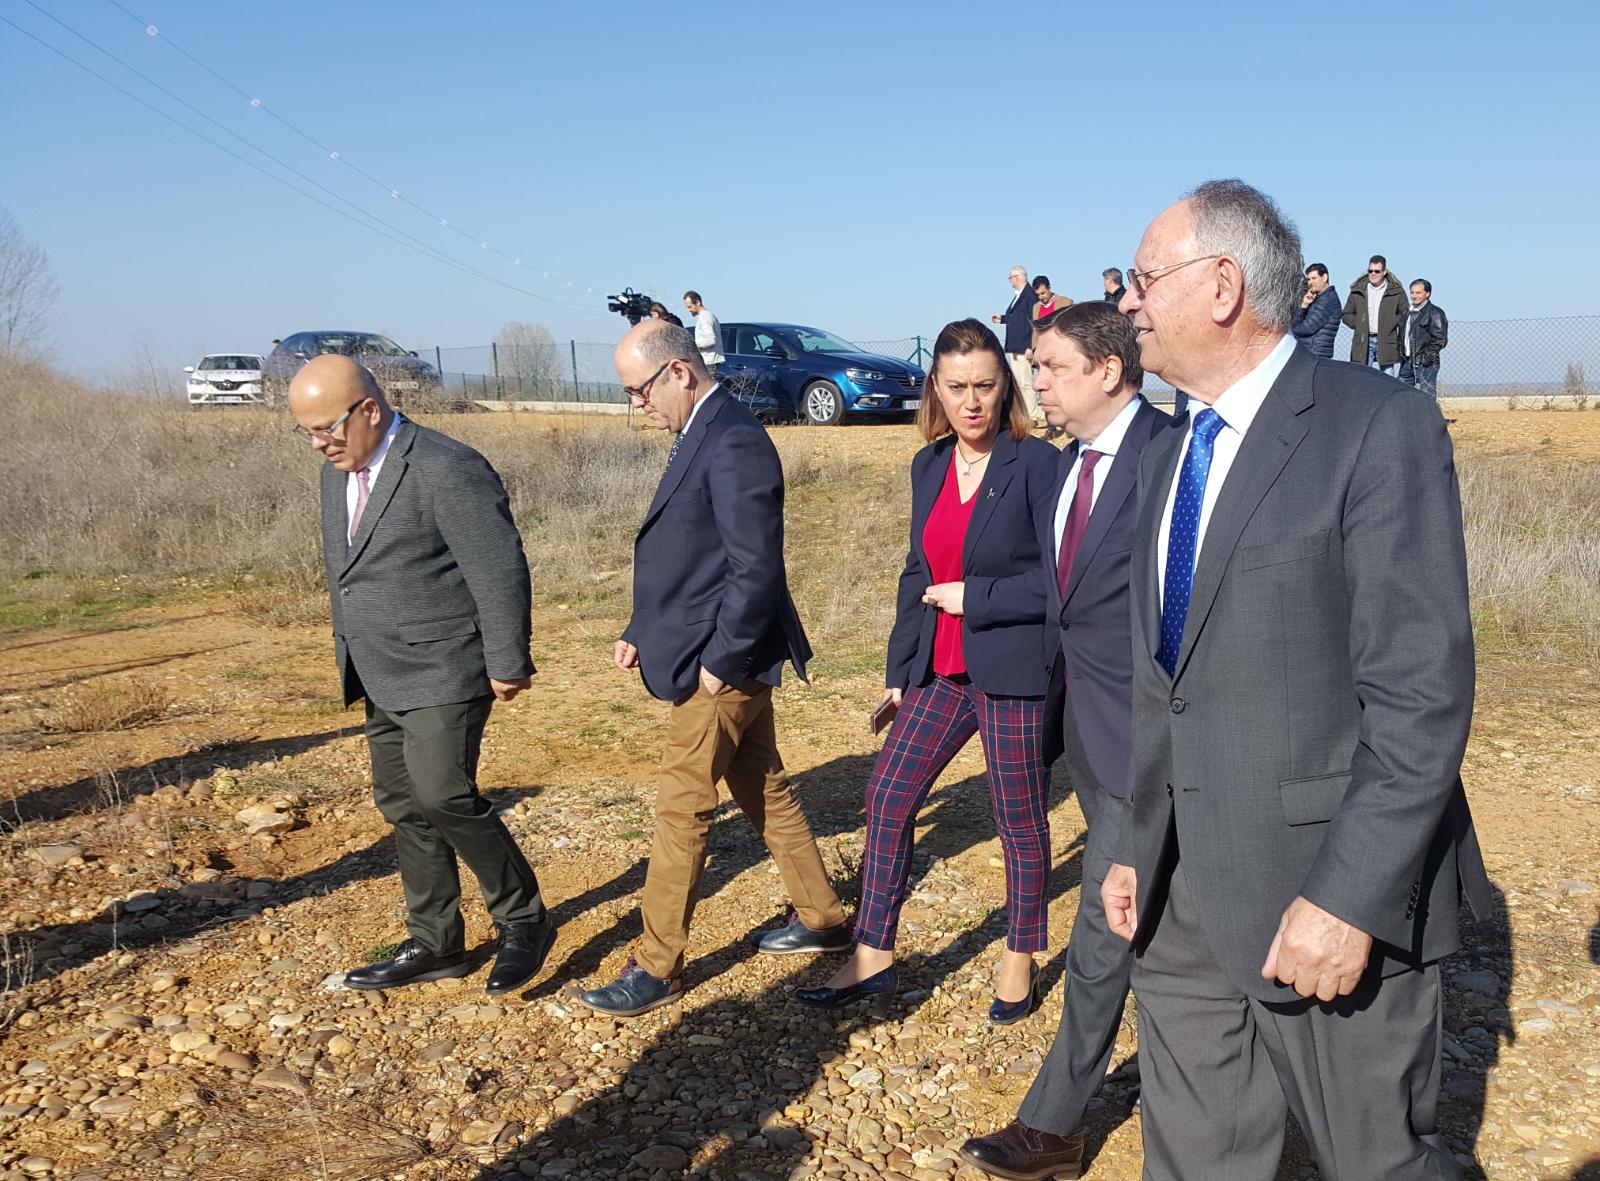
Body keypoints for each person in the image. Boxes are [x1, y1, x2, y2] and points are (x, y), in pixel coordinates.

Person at [1104, 179, 1491, 1180]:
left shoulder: (1374, 428)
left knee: (1374, 1166)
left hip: (1317, 905)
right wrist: (1124, 844)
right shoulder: (1164, 452)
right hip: (1179, 909)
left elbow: (1419, 694)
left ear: (1221, 283)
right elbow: (1161, 681)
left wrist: (1348, 897)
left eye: (1146, 279)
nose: (1130, 302)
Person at [959, 303, 1173, 1181]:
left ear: (1109, 372)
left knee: (1097, 934)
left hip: (1155, 750)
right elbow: (1065, 609)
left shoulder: (1173, 458)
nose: (1032, 381)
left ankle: (1052, 1125)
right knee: (1142, 924)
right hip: (1089, 739)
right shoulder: (1064, 466)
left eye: (1048, 366)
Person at [581, 321, 848, 1018]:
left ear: (677, 372)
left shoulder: (732, 438)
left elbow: (755, 567)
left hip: (724, 659)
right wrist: (641, 627)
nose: (636, 403)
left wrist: (721, 663)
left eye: (639, 388)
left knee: (682, 805)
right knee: (764, 786)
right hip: (713, 649)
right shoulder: (700, 428)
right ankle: (822, 914)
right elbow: (688, 550)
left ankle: (658, 964)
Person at [795, 319, 1057, 1018]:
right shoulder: (929, 463)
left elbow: (1062, 582)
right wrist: (898, 668)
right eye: (957, 386)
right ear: (935, 390)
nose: (972, 400)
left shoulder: (1037, 463)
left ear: (1006, 389)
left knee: (1018, 818)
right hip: (940, 670)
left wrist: (982, 599)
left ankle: (1018, 954)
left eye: (985, 385)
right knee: (887, 797)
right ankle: (873, 955)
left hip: (1011, 669)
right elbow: (918, 570)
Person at [286, 356, 556, 996]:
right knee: (403, 803)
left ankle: (525, 919)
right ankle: (436, 943)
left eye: (326, 428)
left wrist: (508, 660)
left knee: (441, 794)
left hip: (446, 663)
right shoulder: (339, 472)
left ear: (369, 410)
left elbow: (497, 569)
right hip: (379, 667)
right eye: (308, 433)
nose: (319, 443)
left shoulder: (446, 467)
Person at [1341, 254, 1408, 371]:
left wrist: (1391, 322)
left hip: (1386, 340)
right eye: (1370, 270)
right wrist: (1359, 323)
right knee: (1363, 378)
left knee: (1388, 380)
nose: (1373, 274)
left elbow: (1405, 313)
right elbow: (1346, 315)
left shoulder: (1396, 291)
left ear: (1384, 272)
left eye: (1377, 271)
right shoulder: (1358, 291)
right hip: (1363, 341)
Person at [993, 265, 1041, 424]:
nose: (1010, 282)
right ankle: (1026, 414)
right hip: (1014, 346)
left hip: (1023, 347)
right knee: (1020, 383)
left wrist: (1030, 346)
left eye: (1010, 278)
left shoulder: (1030, 295)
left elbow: (1033, 321)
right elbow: (1018, 318)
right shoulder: (1018, 296)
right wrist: (1003, 319)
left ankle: (1032, 415)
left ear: (1017, 277)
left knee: (1026, 383)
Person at [1399, 279, 1449, 398]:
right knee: (1401, 395)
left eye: (1418, 293)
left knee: (1427, 396)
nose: (1414, 296)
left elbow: (1440, 339)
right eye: (1412, 293)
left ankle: (1429, 417)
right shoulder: (1406, 313)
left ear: (1427, 294)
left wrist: (1427, 356)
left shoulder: (1435, 313)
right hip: (1407, 362)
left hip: (1426, 363)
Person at [1291, 263, 1341, 359]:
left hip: (1315, 355)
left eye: (1314, 278)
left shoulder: (1327, 300)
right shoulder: (1319, 299)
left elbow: (1305, 329)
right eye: (1309, 279)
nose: (1310, 282)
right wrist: (1304, 304)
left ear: (1325, 277)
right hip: (1312, 353)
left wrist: (1291, 328)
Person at [682, 290, 725, 376]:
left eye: (690, 307)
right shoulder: (706, 316)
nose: (689, 310)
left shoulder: (705, 317)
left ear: (698, 302)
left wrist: (693, 345)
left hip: (709, 362)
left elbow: (711, 340)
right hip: (709, 361)